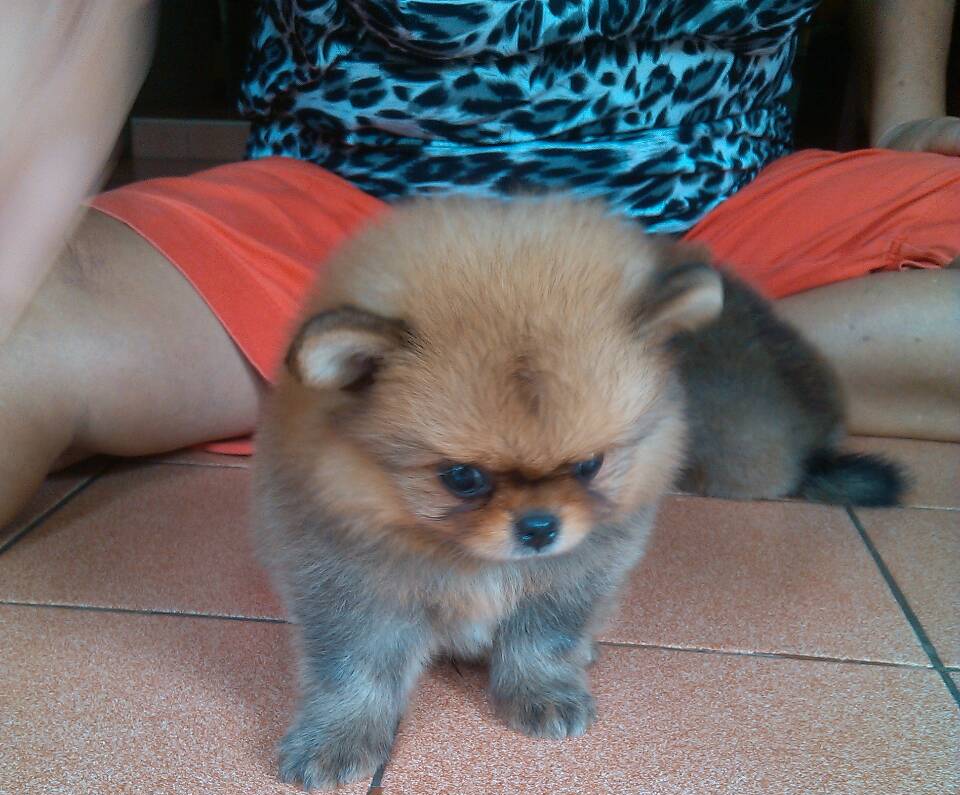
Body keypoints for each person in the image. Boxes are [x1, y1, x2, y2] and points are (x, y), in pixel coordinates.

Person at [0, 0, 957, 529]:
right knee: (27, 332)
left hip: (720, 237)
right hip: (360, 244)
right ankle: (678, 402)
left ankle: (651, 389)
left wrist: (907, 116)